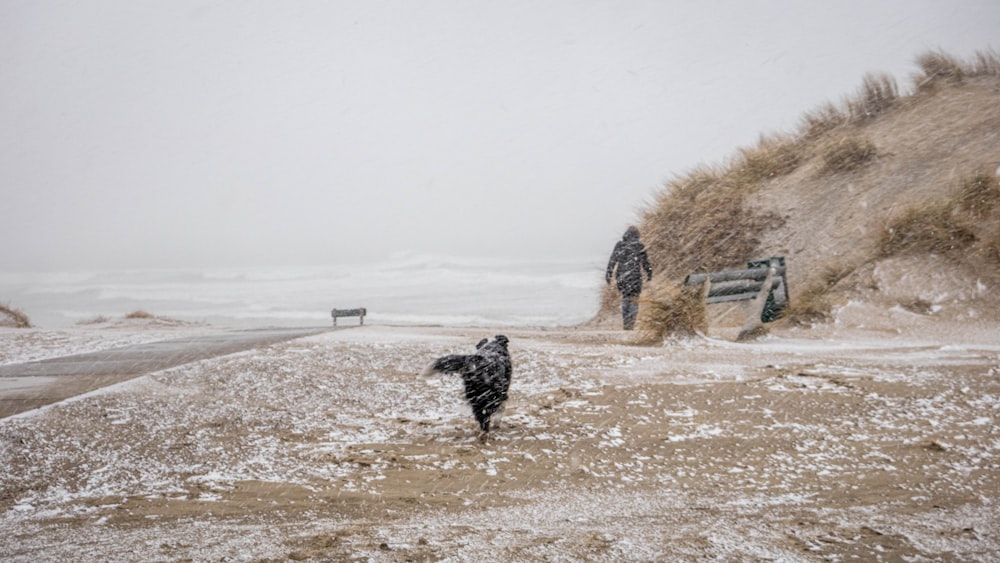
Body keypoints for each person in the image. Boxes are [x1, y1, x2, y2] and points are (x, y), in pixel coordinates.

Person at [605, 226, 653, 330]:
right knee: (634, 299)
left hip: (621, 276)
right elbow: (645, 262)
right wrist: (649, 273)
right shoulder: (639, 246)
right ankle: (631, 322)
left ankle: (626, 322)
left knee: (625, 297)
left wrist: (608, 274)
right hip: (635, 276)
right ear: (637, 235)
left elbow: (612, 260)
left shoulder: (619, 245)